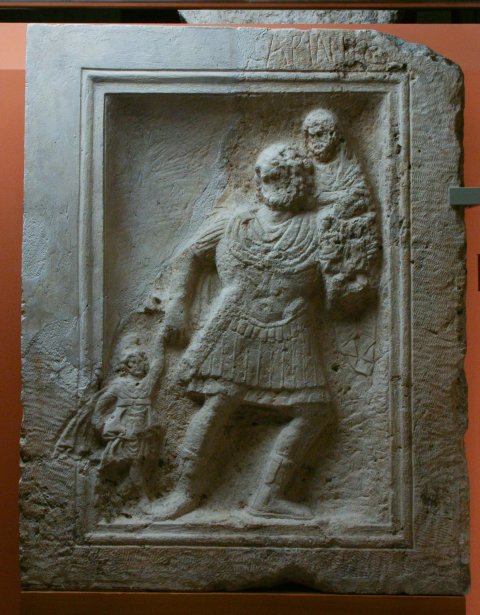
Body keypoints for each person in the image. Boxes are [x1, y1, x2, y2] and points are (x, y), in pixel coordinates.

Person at [152, 141, 378, 520]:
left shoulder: (317, 225)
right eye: (267, 174)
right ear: (258, 179)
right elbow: (190, 255)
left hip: (290, 327)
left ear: (301, 179)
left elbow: (342, 287)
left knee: (315, 410)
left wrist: (352, 279)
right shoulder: (235, 222)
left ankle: (266, 499)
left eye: (283, 174)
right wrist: (178, 305)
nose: (272, 180)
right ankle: (183, 493)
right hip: (234, 321)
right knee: (219, 401)